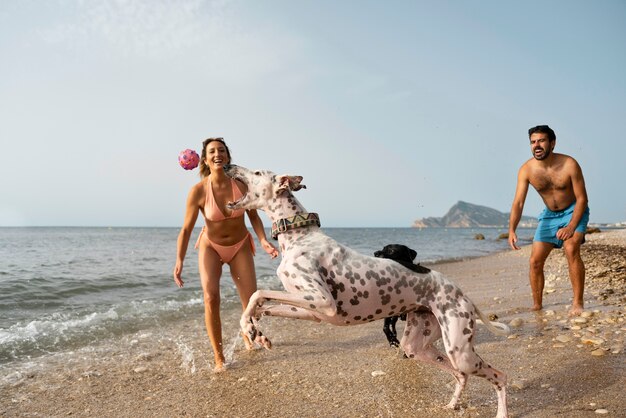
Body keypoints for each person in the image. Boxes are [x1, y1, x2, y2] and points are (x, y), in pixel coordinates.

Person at [173, 137, 279, 372]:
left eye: (222, 150)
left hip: (240, 245)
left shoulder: (240, 185)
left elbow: (253, 216)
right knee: (211, 298)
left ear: (228, 156)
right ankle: (219, 357)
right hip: (211, 247)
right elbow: (186, 229)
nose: (217, 154)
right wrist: (179, 260)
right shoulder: (198, 191)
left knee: (251, 302)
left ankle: (247, 333)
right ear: (205, 159)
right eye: (212, 151)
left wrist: (263, 241)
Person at [508, 125, 590, 316]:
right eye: (533, 142)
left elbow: (582, 199)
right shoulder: (526, 170)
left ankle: (578, 302)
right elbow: (518, 203)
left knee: (571, 249)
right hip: (549, 215)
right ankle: (537, 304)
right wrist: (512, 229)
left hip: (574, 210)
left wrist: (571, 226)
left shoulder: (570, 164)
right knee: (535, 261)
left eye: (541, 141)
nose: (537, 145)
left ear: (552, 143)